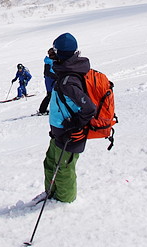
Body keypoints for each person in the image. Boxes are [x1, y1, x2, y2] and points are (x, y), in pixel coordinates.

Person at [41, 32, 96, 203]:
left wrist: (73, 125)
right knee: (50, 163)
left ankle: (64, 201)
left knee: (63, 169)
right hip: (59, 132)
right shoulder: (66, 71)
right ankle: (52, 193)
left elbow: (89, 108)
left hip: (70, 135)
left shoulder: (68, 80)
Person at [38, 48, 58, 115]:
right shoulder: (49, 62)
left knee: (53, 95)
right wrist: (56, 76)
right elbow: (47, 72)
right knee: (50, 95)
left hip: (51, 80)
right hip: (50, 80)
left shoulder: (51, 61)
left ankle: (42, 110)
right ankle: (42, 110)